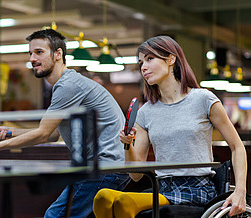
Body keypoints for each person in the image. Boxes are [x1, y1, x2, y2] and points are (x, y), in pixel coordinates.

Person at [0, 29, 130, 217]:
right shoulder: (68, 84)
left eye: (39, 52)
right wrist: (11, 131)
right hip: (110, 168)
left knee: (55, 215)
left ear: (58, 54)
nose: (32, 59)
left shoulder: (68, 86)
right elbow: (53, 134)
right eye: (30, 53)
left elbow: (43, 133)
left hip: (104, 168)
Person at [93, 35, 247, 217]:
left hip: (196, 190)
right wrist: (128, 144)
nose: (143, 67)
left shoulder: (203, 99)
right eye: (141, 62)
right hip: (162, 188)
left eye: (150, 59)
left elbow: (237, 147)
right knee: (101, 197)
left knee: (124, 201)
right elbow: (135, 175)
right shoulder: (145, 112)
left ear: (171, 59)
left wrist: (240, 192)